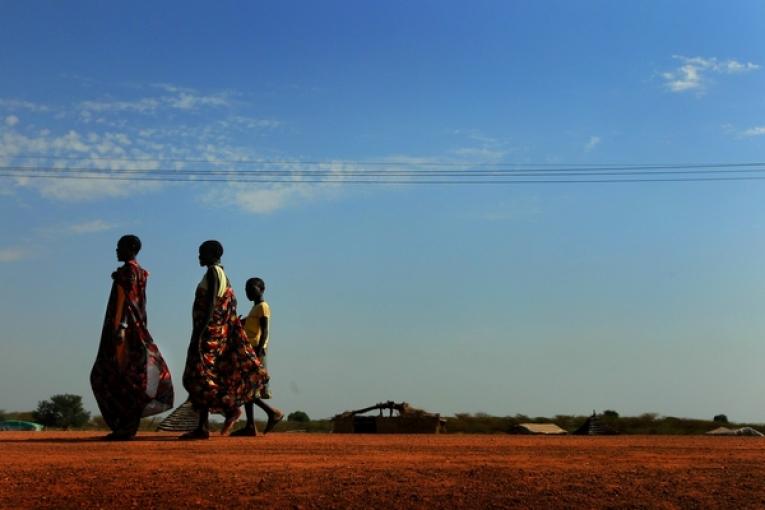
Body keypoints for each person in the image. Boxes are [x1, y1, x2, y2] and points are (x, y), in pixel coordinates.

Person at [181, 240, 268, 440]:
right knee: (205, 377)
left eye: (202, 253)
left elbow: (212, 304)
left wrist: (200, 332)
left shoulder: (214, 273)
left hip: (209, 335)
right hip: (215, 334)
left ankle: (228, 410)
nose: (199, 257)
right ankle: (204, 425)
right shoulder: (223, 276)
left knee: (197, 375)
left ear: (213, 254)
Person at [90, 235, 174, 440]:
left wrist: (121, 327)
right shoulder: (139, 272)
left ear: (131, 248)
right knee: (130, 376)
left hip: (125, 332)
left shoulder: (128, 272)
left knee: (110, 375)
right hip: (137, 329)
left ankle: (125, 426)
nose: (116, 250)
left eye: (120, 247)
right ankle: (127, 426)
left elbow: (126, 301)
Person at [231, 278, 283, 436]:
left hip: (255, 350)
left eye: (251, 288)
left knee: (249, 388)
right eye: (246, 289)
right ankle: (251, 425)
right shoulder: (255, 308)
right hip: (249, 349)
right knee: (247, 388)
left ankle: (272, 413)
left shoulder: (263, 307)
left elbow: (265, 330)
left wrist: (260, 350)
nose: (248, 291)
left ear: (262, 289)